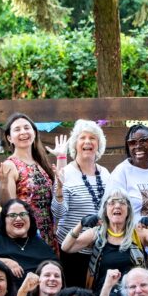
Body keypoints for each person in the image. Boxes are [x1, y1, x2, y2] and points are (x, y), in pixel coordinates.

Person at [62, 190, 148, 296]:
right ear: (105, 211)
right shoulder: (97, 233)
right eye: (112, 203)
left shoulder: (139, 232)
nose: (117, 206)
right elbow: (66, 247)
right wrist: (80, 224)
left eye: (122, 203)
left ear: (128, 210)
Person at [109, 124, 148, 296]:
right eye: (132, 142)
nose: (138, 146)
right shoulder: (121, 171)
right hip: (134, 243)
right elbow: (112, 207)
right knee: (138, 294)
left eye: (144, 140)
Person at [52, 119, 112, 286]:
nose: (87, 141)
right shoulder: (65, 173)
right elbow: (58, 214)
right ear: (75, 145)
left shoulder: (105, 173)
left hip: (100, 249)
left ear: (99, 145)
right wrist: (59, 190)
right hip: (72, 249)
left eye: (92, 138)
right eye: (82, 138)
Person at [0, 112, 56, 243]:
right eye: (17, 129)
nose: (23, 132)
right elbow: (8, 206)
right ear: (9, 138)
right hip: (27, 235)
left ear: (34, 132)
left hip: (49, 233)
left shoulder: (41, 162)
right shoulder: (10, 165)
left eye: (27, 128)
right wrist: (3, 185)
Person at [0, 198, 57, 276]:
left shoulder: (40, 243)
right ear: (4, 220)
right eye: (12, 215)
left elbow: (56, 265)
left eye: (23, 214)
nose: (18, 219)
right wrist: (5, 262)